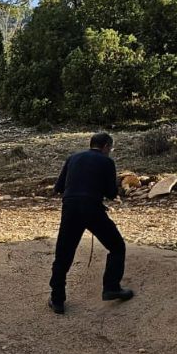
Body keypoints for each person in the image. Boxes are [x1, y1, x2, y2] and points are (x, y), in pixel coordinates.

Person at [48, 131, 134, 315]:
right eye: (110, 148)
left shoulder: (72, 158)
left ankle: (57, 301)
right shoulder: (107, 162)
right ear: (105, 147)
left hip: (70, 208)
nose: (110, 151)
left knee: (63, 254)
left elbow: (59, 188)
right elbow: (111, 193)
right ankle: (111, 287)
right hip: (92, 208)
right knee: (117, 246)